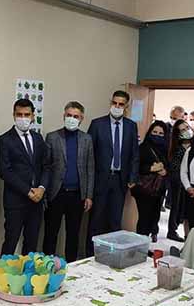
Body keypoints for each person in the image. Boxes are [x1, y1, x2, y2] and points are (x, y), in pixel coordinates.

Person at [86, 91, 139, 256]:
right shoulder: (97, 124)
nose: (117, 106)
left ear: (126, 107)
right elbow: (89, 154)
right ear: (111, 103)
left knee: (115, 221)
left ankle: (111, 256)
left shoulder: (131, 126)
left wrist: (132, 177)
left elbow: (134, 154)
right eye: (114, 103)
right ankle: (90, 256)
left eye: (121, 104)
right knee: (96, 220)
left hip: (120, 180)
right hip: (100, 179)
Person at [0, 99, 51, 255]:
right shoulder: (4, 140)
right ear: (13, 115)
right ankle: (3, 272)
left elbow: (46, 167)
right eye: (19, 114)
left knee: (31, 244)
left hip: (36, 202)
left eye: (26, 114)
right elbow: (5, 171)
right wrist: (28, 191)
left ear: (33, 116)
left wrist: (41, 188)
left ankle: (28, 272)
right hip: (16, 201)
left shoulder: (38, 138)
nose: (23, 118)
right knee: (10, 243)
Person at [43, 102, 95, 262]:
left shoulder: (87, 139)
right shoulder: (52, 137)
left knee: (73, 234)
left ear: (81, 119)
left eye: (76, 116)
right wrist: (44, 191)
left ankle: (72, 266)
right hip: (56, 193)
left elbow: (90, 168)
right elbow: (46, 166)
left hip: (77, 195)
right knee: (51, 233)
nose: (72, 118)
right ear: (64, 116)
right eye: (69, 115)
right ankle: (47, 265)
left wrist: (89, 195)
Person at [132, 120, 169, 242]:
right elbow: (135, 166)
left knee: (153, 217)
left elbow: (171, 167)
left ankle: (146, 243)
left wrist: (165, 171)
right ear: (150, 132)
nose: (157, 135)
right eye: (155, 132)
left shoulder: (166, 149)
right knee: (144, 219)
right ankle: (140, 245)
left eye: (161, 133)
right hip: (144, 189)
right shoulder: (143, 148)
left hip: (158, 190)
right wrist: (151, 168)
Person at [166, 119, 192, 242]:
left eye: (187, 128)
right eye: (182, 130)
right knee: (176, 206)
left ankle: (187, 233)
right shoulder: (176, 147)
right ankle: (172, 230)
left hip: (192, 180)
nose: (186, 131)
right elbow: (174, 166)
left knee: (186, 208)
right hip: (177, 180)